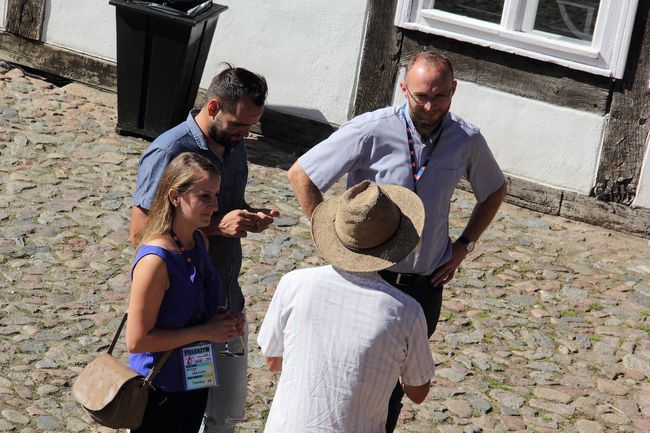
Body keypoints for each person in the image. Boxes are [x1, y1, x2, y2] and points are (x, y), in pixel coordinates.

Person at [287, 51, 507, 431]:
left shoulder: (466, 139)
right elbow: (301, 174)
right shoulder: (370, 129)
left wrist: (464, 246)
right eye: (420, 95)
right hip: (369, 278)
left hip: (424, 288)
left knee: (393, 391)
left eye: (439, 96)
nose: (429, 105)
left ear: (453, 90)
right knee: (352, 379)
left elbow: (495, 189)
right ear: (403, 88)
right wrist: (332, 237)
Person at [130, 67, 279, 433]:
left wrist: (247, 217)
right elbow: (140, 236)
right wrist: (218, 226)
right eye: (240, 124)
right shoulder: (170, 151)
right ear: (213, 106)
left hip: (222, 301)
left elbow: (227, 206)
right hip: (182, 317)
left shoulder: (234, 143)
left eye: (252, 126)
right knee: (171, 414)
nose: (246, 134)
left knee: (221, 412)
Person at [258, 180, 435, 433]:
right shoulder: (406, 311)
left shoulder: (293, 284)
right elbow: (418, 392)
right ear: (397, 243)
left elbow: (273, 362)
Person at [126, 152, 245, 433]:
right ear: (174, 196)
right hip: (160, 387)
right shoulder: (155, 261)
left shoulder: (199, 241)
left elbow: (192, 308)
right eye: (204, 196)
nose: (214, 206)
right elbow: (137, 340)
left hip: (196, 377)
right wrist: (206, 332)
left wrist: (222, 319)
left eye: (215, 195)